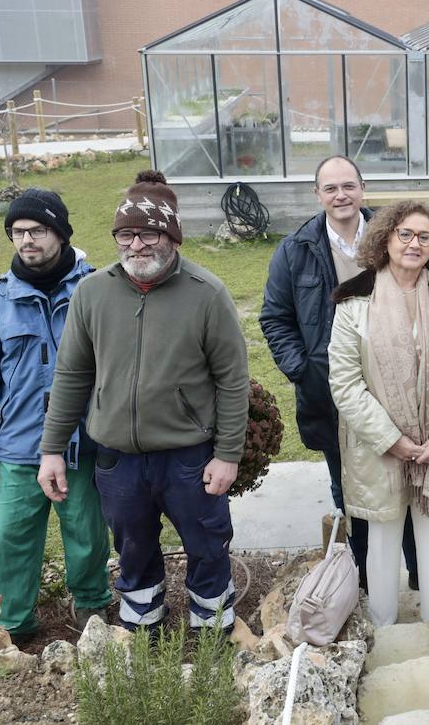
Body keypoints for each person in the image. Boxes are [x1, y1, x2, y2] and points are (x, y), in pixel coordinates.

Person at [39, 170, 250, 632]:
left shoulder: (207, 294)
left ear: (171, 236)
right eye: (126, 235)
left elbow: (233, 380)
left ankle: (212, 629)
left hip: (188, 456)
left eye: (148, 234)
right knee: (131, 545)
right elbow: (72, 373)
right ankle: (142, 626)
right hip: (118, 458)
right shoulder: (92, 294)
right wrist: (52, 448)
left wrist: (228, 454)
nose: (136, 245)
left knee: (207, 542)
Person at [0, 189, 111, 641]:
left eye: (38, 230)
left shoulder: (97, 291)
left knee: (86, 535)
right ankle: (12, 624)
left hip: (84, 442)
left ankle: (93, 606)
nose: (27, 240)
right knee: (10, 540)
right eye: (18, 232)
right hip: (18, 448)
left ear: (61, 234)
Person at [260, 155, 417, 589]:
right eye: (330, 188)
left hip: (397, 391)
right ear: (318, 195)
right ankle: (366, 579)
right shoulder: (296, 250)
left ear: (362, 189)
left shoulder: (394, 239)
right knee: (350, 487)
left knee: (407, 479)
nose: (340, 195)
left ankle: (420, 575)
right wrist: (304, 370)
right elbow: (275, 318)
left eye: (348, 186)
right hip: (333, 397)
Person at [328, 201, 429, 626]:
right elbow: (345, 382)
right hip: (381, 451)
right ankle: (383, 631)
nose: (415, 244)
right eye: (406, 234)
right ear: (385, 239)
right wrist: (392, 441)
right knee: (381, 549)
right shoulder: (354, 301)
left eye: (425, 237)